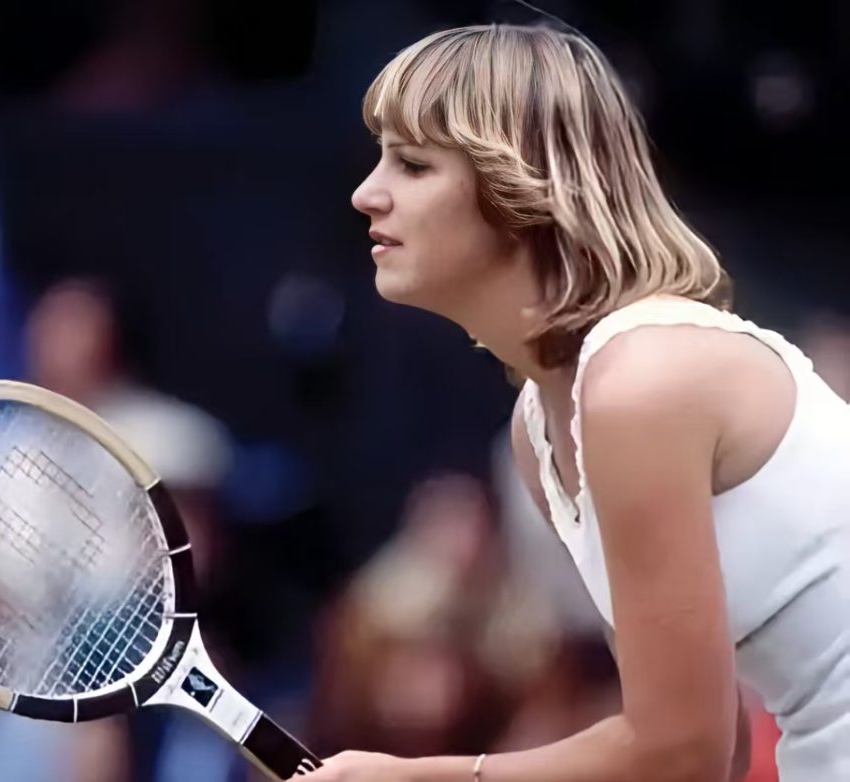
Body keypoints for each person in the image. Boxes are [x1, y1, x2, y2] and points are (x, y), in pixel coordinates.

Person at [297, 23, 850, 782]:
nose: (367, 193)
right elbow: (711, 749)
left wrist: (419, 777)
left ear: (518, 187)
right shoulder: (541, 431)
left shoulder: (638, 383)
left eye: (414, 164)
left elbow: (680, 753)